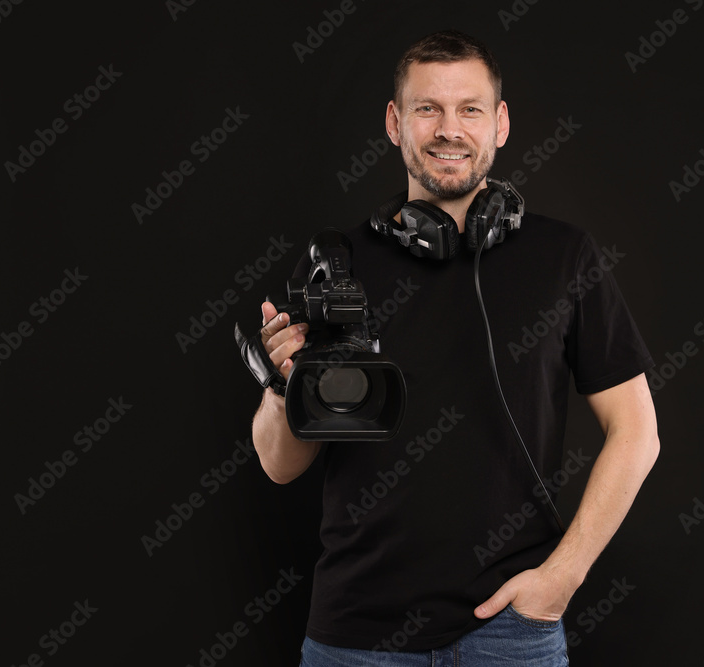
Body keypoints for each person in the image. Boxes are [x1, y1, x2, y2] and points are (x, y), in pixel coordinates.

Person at [250, 29, 660, 666]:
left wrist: (562, 577)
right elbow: (281, 465)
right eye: (428, 108)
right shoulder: (336, 265)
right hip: (357, 637)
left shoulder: (564, 256)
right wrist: (283, 388)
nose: (449, 129)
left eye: (470, 109)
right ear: (395, 123)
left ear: (500, 123)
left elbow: (637, 433)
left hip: (512, 634)